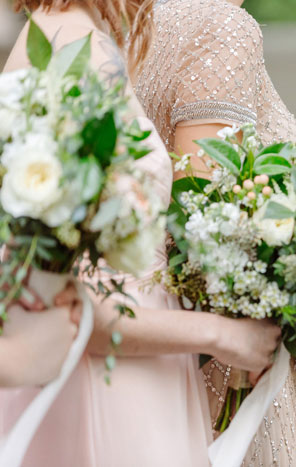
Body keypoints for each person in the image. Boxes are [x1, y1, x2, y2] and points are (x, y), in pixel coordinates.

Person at [1, 2, 281, 465]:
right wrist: (221, 334)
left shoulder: (73, 37)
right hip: (108, 383)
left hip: (136, 365)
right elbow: (75, 305)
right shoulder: (75, 46)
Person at [134, 0, 296, 464]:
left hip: (167, 330)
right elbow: (206, 221)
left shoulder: (134, 22)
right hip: (233, 359)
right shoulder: (219, 25)